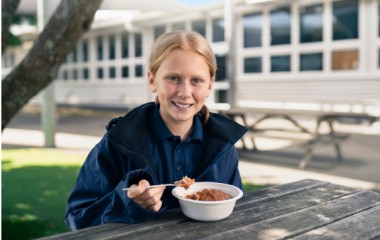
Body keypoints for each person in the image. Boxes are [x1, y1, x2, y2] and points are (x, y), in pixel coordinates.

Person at [65, 30, 247, 230]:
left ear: (210, 86)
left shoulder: (223, 147)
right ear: (152, 80)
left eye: (196, 80)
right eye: (173, 78)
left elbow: (236, 210)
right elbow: (77, 218)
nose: (184, 92)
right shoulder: (117, 143)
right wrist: (127, 202)